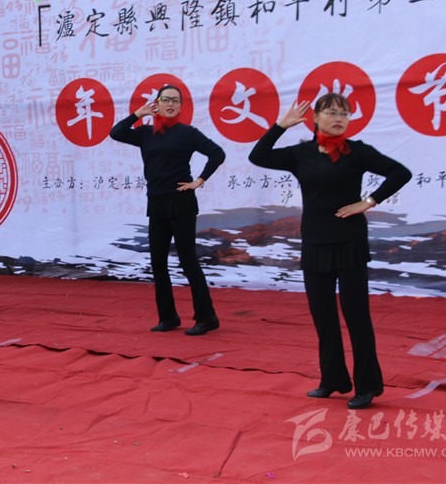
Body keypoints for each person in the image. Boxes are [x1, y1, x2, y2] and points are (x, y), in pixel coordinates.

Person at [248, 94, 411, 409]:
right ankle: (333, 379)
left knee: (356, 315)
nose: (339, 118)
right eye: (332, 113)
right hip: (314, 242)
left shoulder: (357, 151)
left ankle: (367, 385)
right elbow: (259, 156)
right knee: (322, 315)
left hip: (349, 242)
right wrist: (281, 126)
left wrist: (368, 202)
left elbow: (400, 173)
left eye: (344, 114)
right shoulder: (301, 154)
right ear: (315, 118)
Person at [110, 84, 226, 336]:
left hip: (181, 202)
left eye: (175, 100)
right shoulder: (145, 133)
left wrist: (200, 180)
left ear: (181, 106)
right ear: (157, 103)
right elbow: (116, 132)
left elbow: (217, 153)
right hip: (156, 203)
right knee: (158, 262)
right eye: (166, 100)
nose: (170, 104)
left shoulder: (188, 133)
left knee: (188, 260)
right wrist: (137, 114)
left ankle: (207, 317)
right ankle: (168, 317)